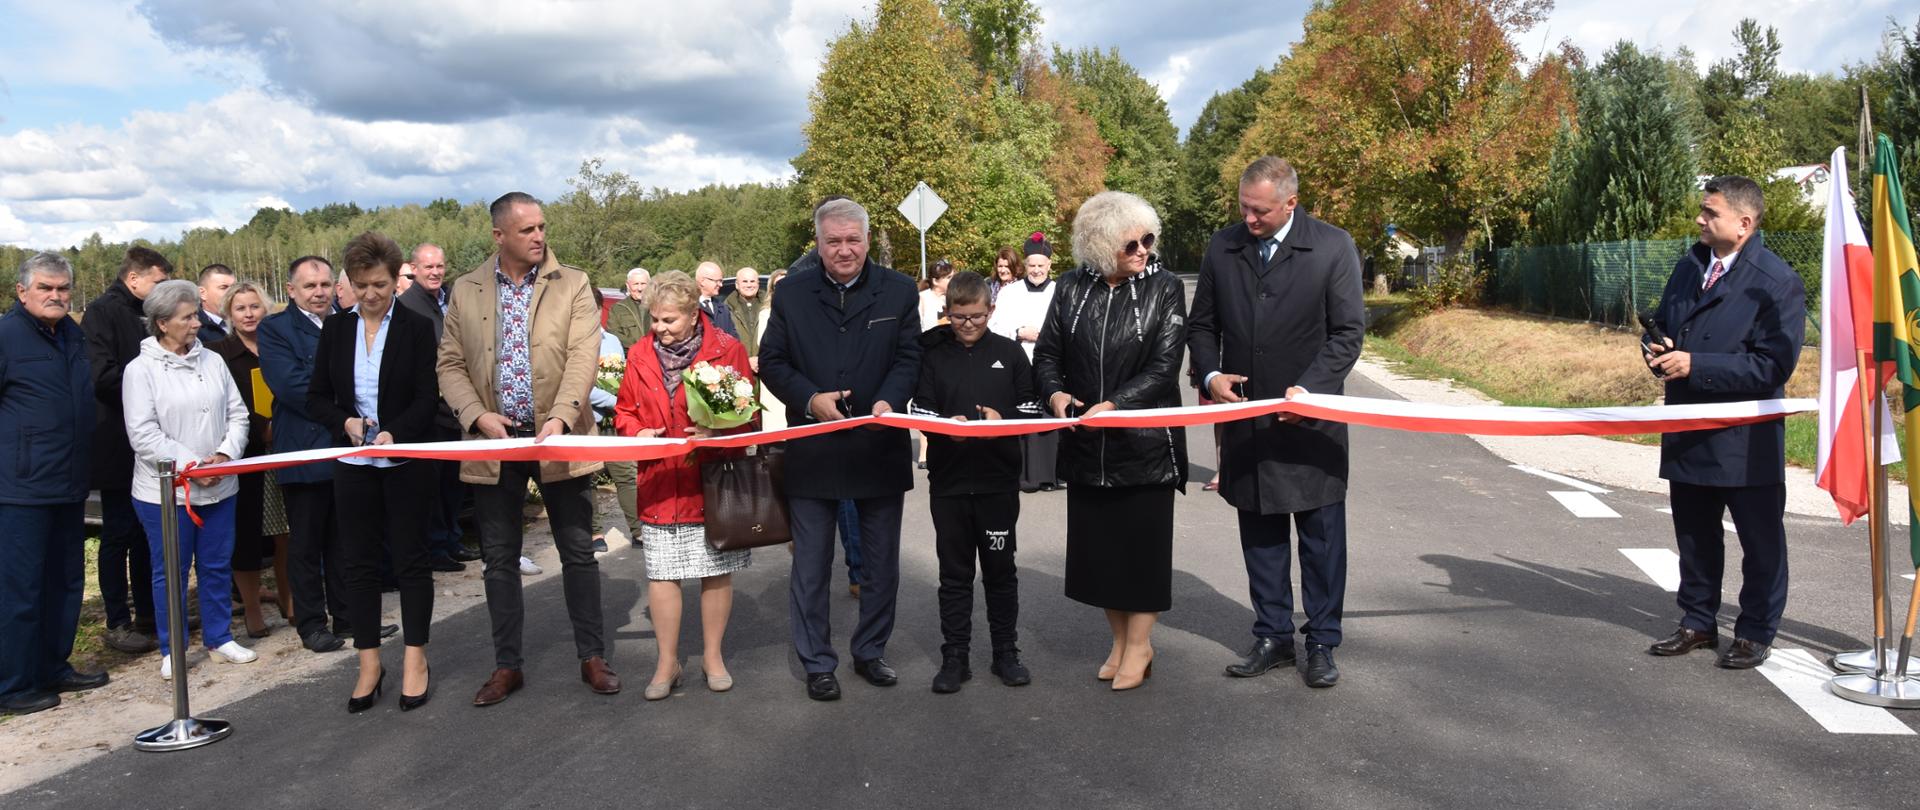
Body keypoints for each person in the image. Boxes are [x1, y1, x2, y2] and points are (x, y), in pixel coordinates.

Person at [1187, 157, 1366, 690]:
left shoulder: (1332, 246)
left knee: (1320, 540)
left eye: (1259, 210)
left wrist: (1309, 390)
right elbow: (1202, 325)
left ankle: (1321, 641)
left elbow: (1347, 334)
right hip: (1247, 421)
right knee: (1260, 534)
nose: (1249, 219)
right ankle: (1272, 635)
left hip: (1311, 423)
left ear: (1290, 203)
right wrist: (1212, 375)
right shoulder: (1224, 246)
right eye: (1243, 207)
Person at [439, 191, 620, 705]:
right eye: (527, 230)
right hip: (493, 442)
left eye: (542, 227)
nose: (540, 236)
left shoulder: (574, 283)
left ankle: (592, 654)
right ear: (499, 236)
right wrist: (476, 416)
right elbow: (449, 364)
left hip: (558, 437)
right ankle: (506, 666)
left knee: (578, 552)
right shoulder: (467, 289)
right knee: (498, 560)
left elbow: (585, 357)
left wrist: (562, 416)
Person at [759, 197, 922, 701]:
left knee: (880, 563)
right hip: (813, 446)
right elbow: (773, 360)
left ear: (868, 240)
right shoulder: (793, 294)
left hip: (878, 444)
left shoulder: (898, 290)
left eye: (853, 240)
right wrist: (810, 399)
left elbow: (910, 355)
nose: (845, 250)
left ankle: (870, 650)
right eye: (834, 241)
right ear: (819, 243)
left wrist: (888, 402)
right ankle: (817, 662)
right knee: (810, 564)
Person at [1643, 175, 1806, 669]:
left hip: (1745, 439)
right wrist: (1656, 352)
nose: (1700, 220)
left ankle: (1755, 631)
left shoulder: (1776, 282)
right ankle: (1697, 621)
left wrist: (1698, 366)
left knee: (1759, 542)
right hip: (1690, 429)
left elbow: (1773, 366)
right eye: (1702, 209)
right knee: (1693, 535)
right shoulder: (1689, 268)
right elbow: (1665, 326)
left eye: (1710, 213)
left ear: (1744, 223)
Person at [1035, 191, 1187, 692]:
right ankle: (1120, 643)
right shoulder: (1071, 287)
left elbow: (1165, 368)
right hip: (1085, 443)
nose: (1143, 250)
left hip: (1145, 441)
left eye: (1149, 240)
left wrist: (1116, 405)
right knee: (1099, 556)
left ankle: (1141, 646)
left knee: (1139, 554)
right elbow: (1048, 353)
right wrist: (1055, 394)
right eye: (1130, 244)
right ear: (1101, 247)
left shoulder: (1164, 287)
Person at [310, 232, 442, 712]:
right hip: (353, 464)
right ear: (351, 283)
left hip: (405, 461)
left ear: (395, 280)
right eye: (362, 284)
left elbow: (428, 398)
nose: (371, 294)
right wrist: (345, 422)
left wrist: (396, 432)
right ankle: (368, 662)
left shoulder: (414, 327)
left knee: (410, 561)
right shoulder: (336, 330)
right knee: (358, 563)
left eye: (381, 284)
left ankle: (415, 659)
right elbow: (317, 397)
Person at [614, 271, 757, 699]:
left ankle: (713, 656)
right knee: (662, 574)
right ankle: (667, 661)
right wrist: (635, 431)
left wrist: (718, 432)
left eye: (669, 320)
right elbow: (624, 411)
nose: (658, 328)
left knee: (715, 573)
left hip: (712, 480)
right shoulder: (639, 354)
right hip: (661, 479)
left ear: (695, 315)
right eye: (654, 319)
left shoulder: (728, 351)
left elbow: (749, 415)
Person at [910, 270, 1038, 694]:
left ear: (991, 311)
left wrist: (1004, 421)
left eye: (977, 317)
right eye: (959, 317)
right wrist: (945, 426)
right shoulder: (933, 355)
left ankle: (1006, 652)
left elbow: (1032, 411)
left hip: (997, 482)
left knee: (1001, 571)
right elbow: (920, 410)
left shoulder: (1010, 353)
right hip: (948, 483)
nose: (968, 325)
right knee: (954, 573)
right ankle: (955, 656)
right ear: (947, 314)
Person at [122, 279, 257, 679]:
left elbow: (239, 414)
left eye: (196, 314)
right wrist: (192, 466)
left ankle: (219, 637)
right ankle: (173, 647)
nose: (197, 323)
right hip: (166, 491)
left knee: (216, 564)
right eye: (188, 317)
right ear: (162, 323)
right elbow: (143, 433)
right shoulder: (139, 370)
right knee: (171, 570)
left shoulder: (213, 361)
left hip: (220, 483)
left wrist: (224, 455)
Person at [1, 253, 110, 716]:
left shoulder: (72, 335)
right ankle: (13, 683)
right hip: (20, 488)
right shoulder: (6, 336)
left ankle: (53, 665)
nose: (56, 296)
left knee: (65, 582)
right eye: (45, 288)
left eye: (63, 289)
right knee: (20, 589)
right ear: (22, 291)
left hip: (70, 481)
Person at [263, 256, 387, 653]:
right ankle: (312, 623)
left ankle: (350, 617)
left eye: (325, 284)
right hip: (305, 447)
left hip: (348, 448)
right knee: (306, 543)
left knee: (345, 539)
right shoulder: (276, 329)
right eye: (309, 286)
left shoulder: (348, 322)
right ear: (292, 291)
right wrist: (346, 412)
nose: (319, 292)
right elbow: (292, 387)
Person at [86, 246, 172, 655]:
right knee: (118, 532)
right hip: (118, 441)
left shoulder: (147, 314)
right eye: (158, 282)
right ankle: (118, 621)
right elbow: (101, 376)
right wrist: (151, 381)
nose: (162, 291)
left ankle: (150, 614)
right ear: (134, 278)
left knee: (145, 533)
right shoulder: (104, 312)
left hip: (153, 441)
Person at [209, 281, 288, 638]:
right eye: (240, 308)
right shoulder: (218, 353)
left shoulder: (277, 344)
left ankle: (290, 599)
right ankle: (252, 608)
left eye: (254, 306)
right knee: (247, 535)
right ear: (229, 313)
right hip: (244, 453)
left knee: (287, 532)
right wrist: (259, 429)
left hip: (284, 448)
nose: (249, 314)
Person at [397, 242, 481, 572]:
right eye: (428, 267)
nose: (435, 272)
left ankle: (451, 538)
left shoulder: (446, 300)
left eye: (440, 266)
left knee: (453, 482)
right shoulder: (407, 306)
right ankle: (435, 546)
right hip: (429, 411)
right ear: (413, 270)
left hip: (455, 409)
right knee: (431, 486)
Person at [989, 233, 1064, 492]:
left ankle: (1047, 475)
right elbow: (994, 325)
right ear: (1026, 265)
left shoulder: (1060, 291)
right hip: (1018, 362)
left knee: (1048, 418)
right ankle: (1021, 475)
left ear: (1049, 265)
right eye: (1032, 266)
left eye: (1041, 266)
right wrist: (1020, 331)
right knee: (1021, 416)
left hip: (1052, 364)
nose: (1036, 270)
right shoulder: (1010, 293)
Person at [586, 285, 642, 553]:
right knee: (587, 478)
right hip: (586, 420)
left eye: (593, 308)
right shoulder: (569, 343)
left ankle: (639, 530)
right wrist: (614, 401)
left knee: (627, 474)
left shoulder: (612, 340)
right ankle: (594, 531)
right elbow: (580, 385)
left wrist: (623, 400)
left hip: (614, 421)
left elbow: (622, 376)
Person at [725, 267, 766, 371]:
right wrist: (746, 360)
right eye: (745, 281)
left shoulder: (770, 306)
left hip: (767, 368)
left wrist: (762, 359)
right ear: (737, 285)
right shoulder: (726, 309)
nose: (749, 285)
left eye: (752, 281)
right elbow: (725, 342)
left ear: (758, 283)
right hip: (738, 369)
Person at [607, 267, 651, 349]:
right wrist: (638, 348)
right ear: (628, 285)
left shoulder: (659, 306)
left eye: (643, 284)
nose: (640, 288)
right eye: (636, 284)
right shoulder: (617, 309)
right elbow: (614, 333)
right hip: (631, 356)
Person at [694, 262, 739, 338]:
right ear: (702, 281)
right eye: (717, 281)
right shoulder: (689, 307)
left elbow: (733, 337)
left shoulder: (723, 308)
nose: (721, 285)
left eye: (721, 281)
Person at [195, 264, 236, 344]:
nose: (233, 292)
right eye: (224, 287)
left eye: (234, 287)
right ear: (202, 293)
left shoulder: (247, 321)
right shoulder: (194, 329)